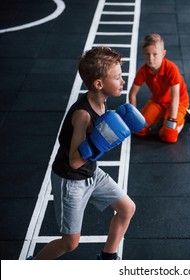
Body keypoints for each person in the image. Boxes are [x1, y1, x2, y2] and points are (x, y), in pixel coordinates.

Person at [29, 46, 136, 260]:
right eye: (117, 77)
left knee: (127, 208)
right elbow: (75, 161)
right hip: (71, 179)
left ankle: (108, 257)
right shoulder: (83, 116)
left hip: (91, 173)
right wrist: (101, 142)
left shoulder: (102, 103)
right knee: (70, 243)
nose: (123, 81)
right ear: (99, 84)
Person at [129, 33, 190, 143]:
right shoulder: (143, 70)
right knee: (139, 130)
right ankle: (161, 116)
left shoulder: (172, 69)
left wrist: (172, 120)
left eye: (155, 54)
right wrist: (134, 115)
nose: (151, 58)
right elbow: (132, 93)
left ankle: (183, 117)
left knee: (168, 136)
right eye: (147, 54)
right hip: (158, 101)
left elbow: (175, 98)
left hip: (178, 103)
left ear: (163, 53)